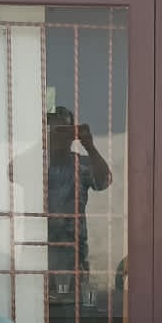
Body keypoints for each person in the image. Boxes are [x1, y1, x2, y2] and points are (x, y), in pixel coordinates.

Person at [44, 106, 112, 302]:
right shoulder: (35, 163)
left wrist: (90, 146)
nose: (60, 137)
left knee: (72, 304)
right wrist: (38, 144)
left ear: (72, 135)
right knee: (37, 301)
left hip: (73, 249)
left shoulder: (82, 164)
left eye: (64, 131)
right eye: (55, 132)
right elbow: (11, 172)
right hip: (40, 247)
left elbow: (105, 181)